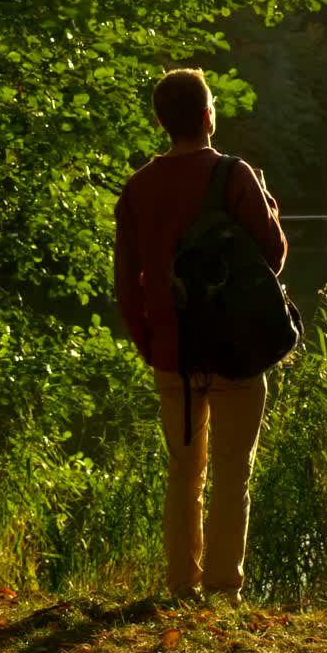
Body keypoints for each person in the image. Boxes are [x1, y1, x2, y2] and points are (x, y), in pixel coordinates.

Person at [113, 67, 287, 605]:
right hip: (236, 349)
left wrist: (152, 343)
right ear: (209, 115)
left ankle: (181, 587)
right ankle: (223, 591)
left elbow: (125, 284)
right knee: (233, 475)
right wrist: (269, 205)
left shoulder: (138, 188)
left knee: (183, 475)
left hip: (173, 354)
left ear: (163, 121)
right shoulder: (235, 176)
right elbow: (273, 260)